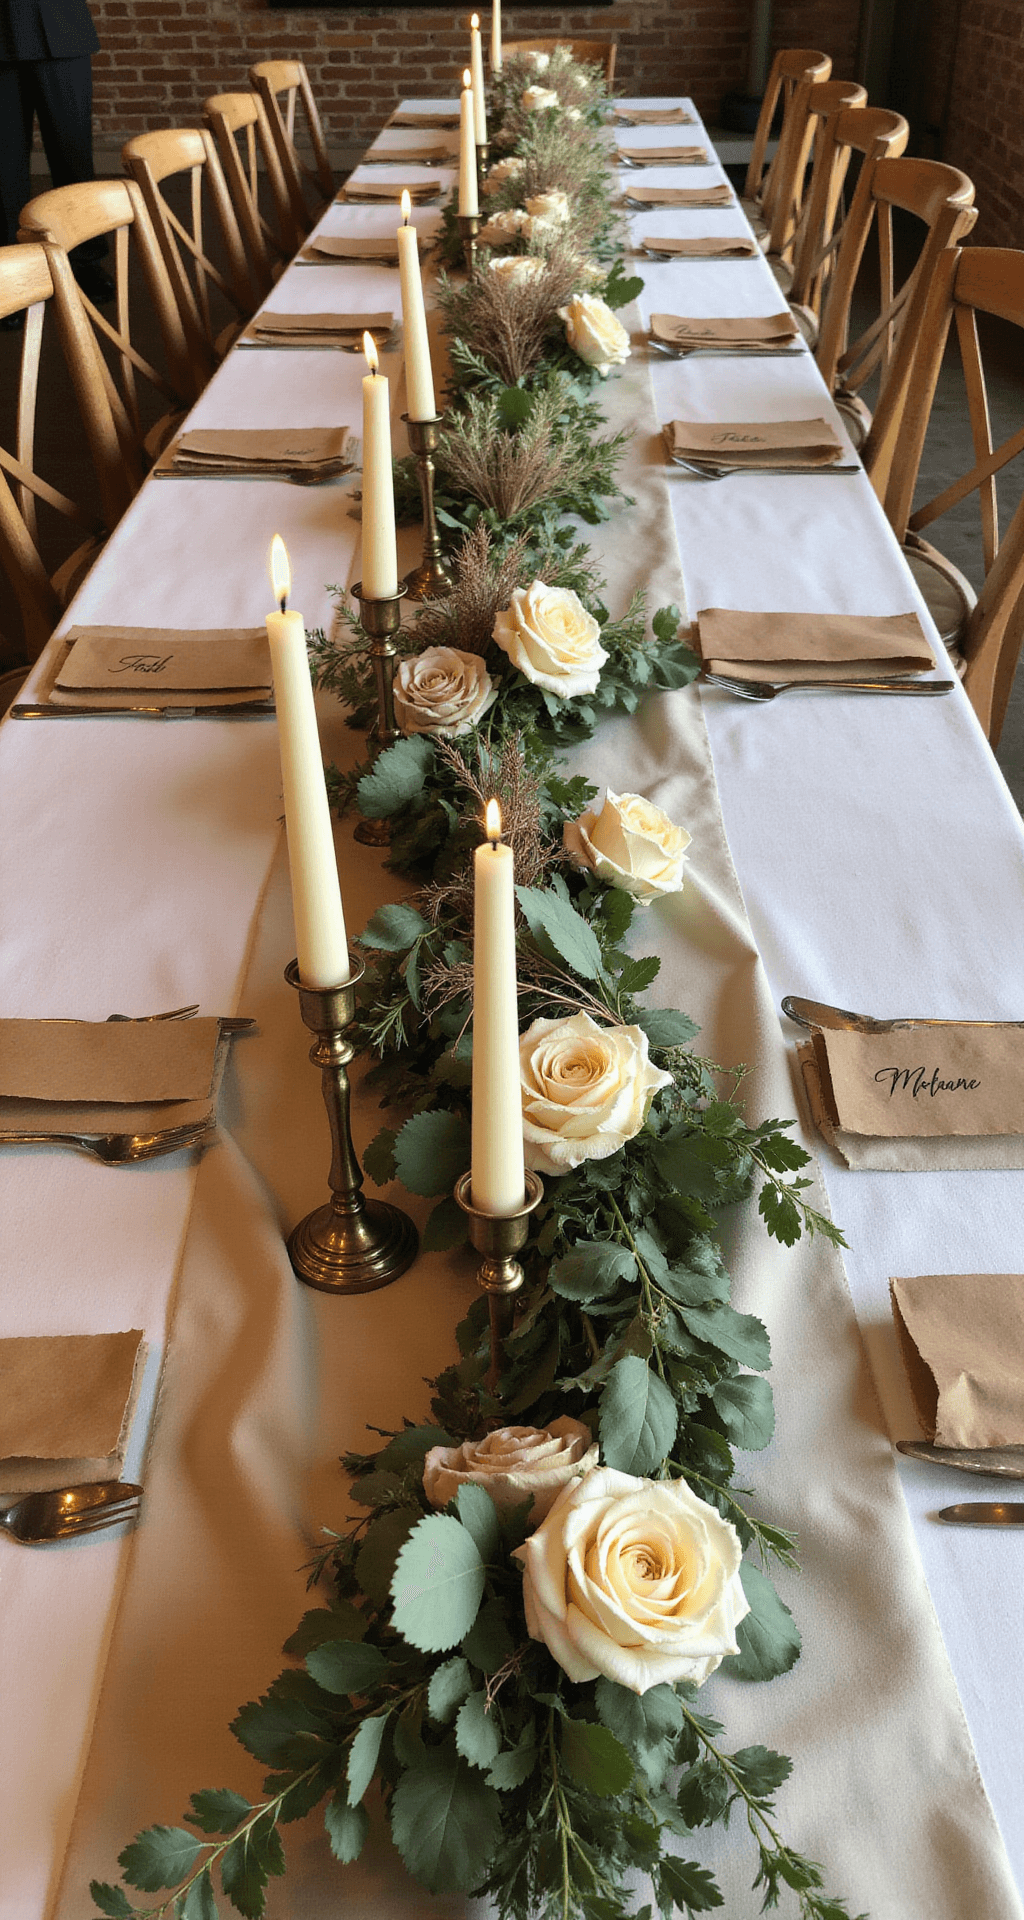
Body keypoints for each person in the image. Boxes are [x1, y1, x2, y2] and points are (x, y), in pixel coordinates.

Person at [0, 0, 114, 313]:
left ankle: (84, 261)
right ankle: (10, 273)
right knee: (3, 168)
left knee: (73, 156)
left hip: (61, 26)